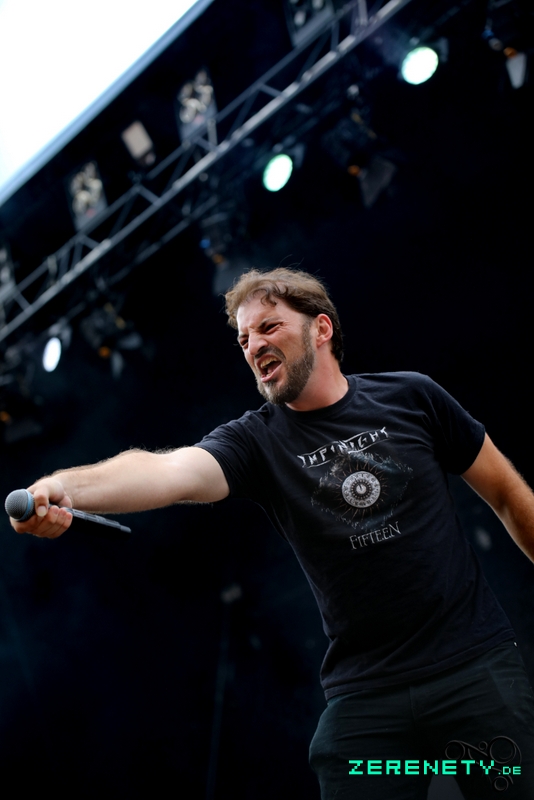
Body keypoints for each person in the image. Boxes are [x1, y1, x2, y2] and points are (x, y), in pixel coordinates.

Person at [10, 268, 534, 799]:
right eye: (243, 339)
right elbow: (165, 470)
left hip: (473, 668)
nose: (254, 345)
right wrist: (62, 486)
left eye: (268, 327)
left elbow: (509, 494)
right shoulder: (255, 441)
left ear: (321, 329)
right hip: (368, 697)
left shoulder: (412, 397)